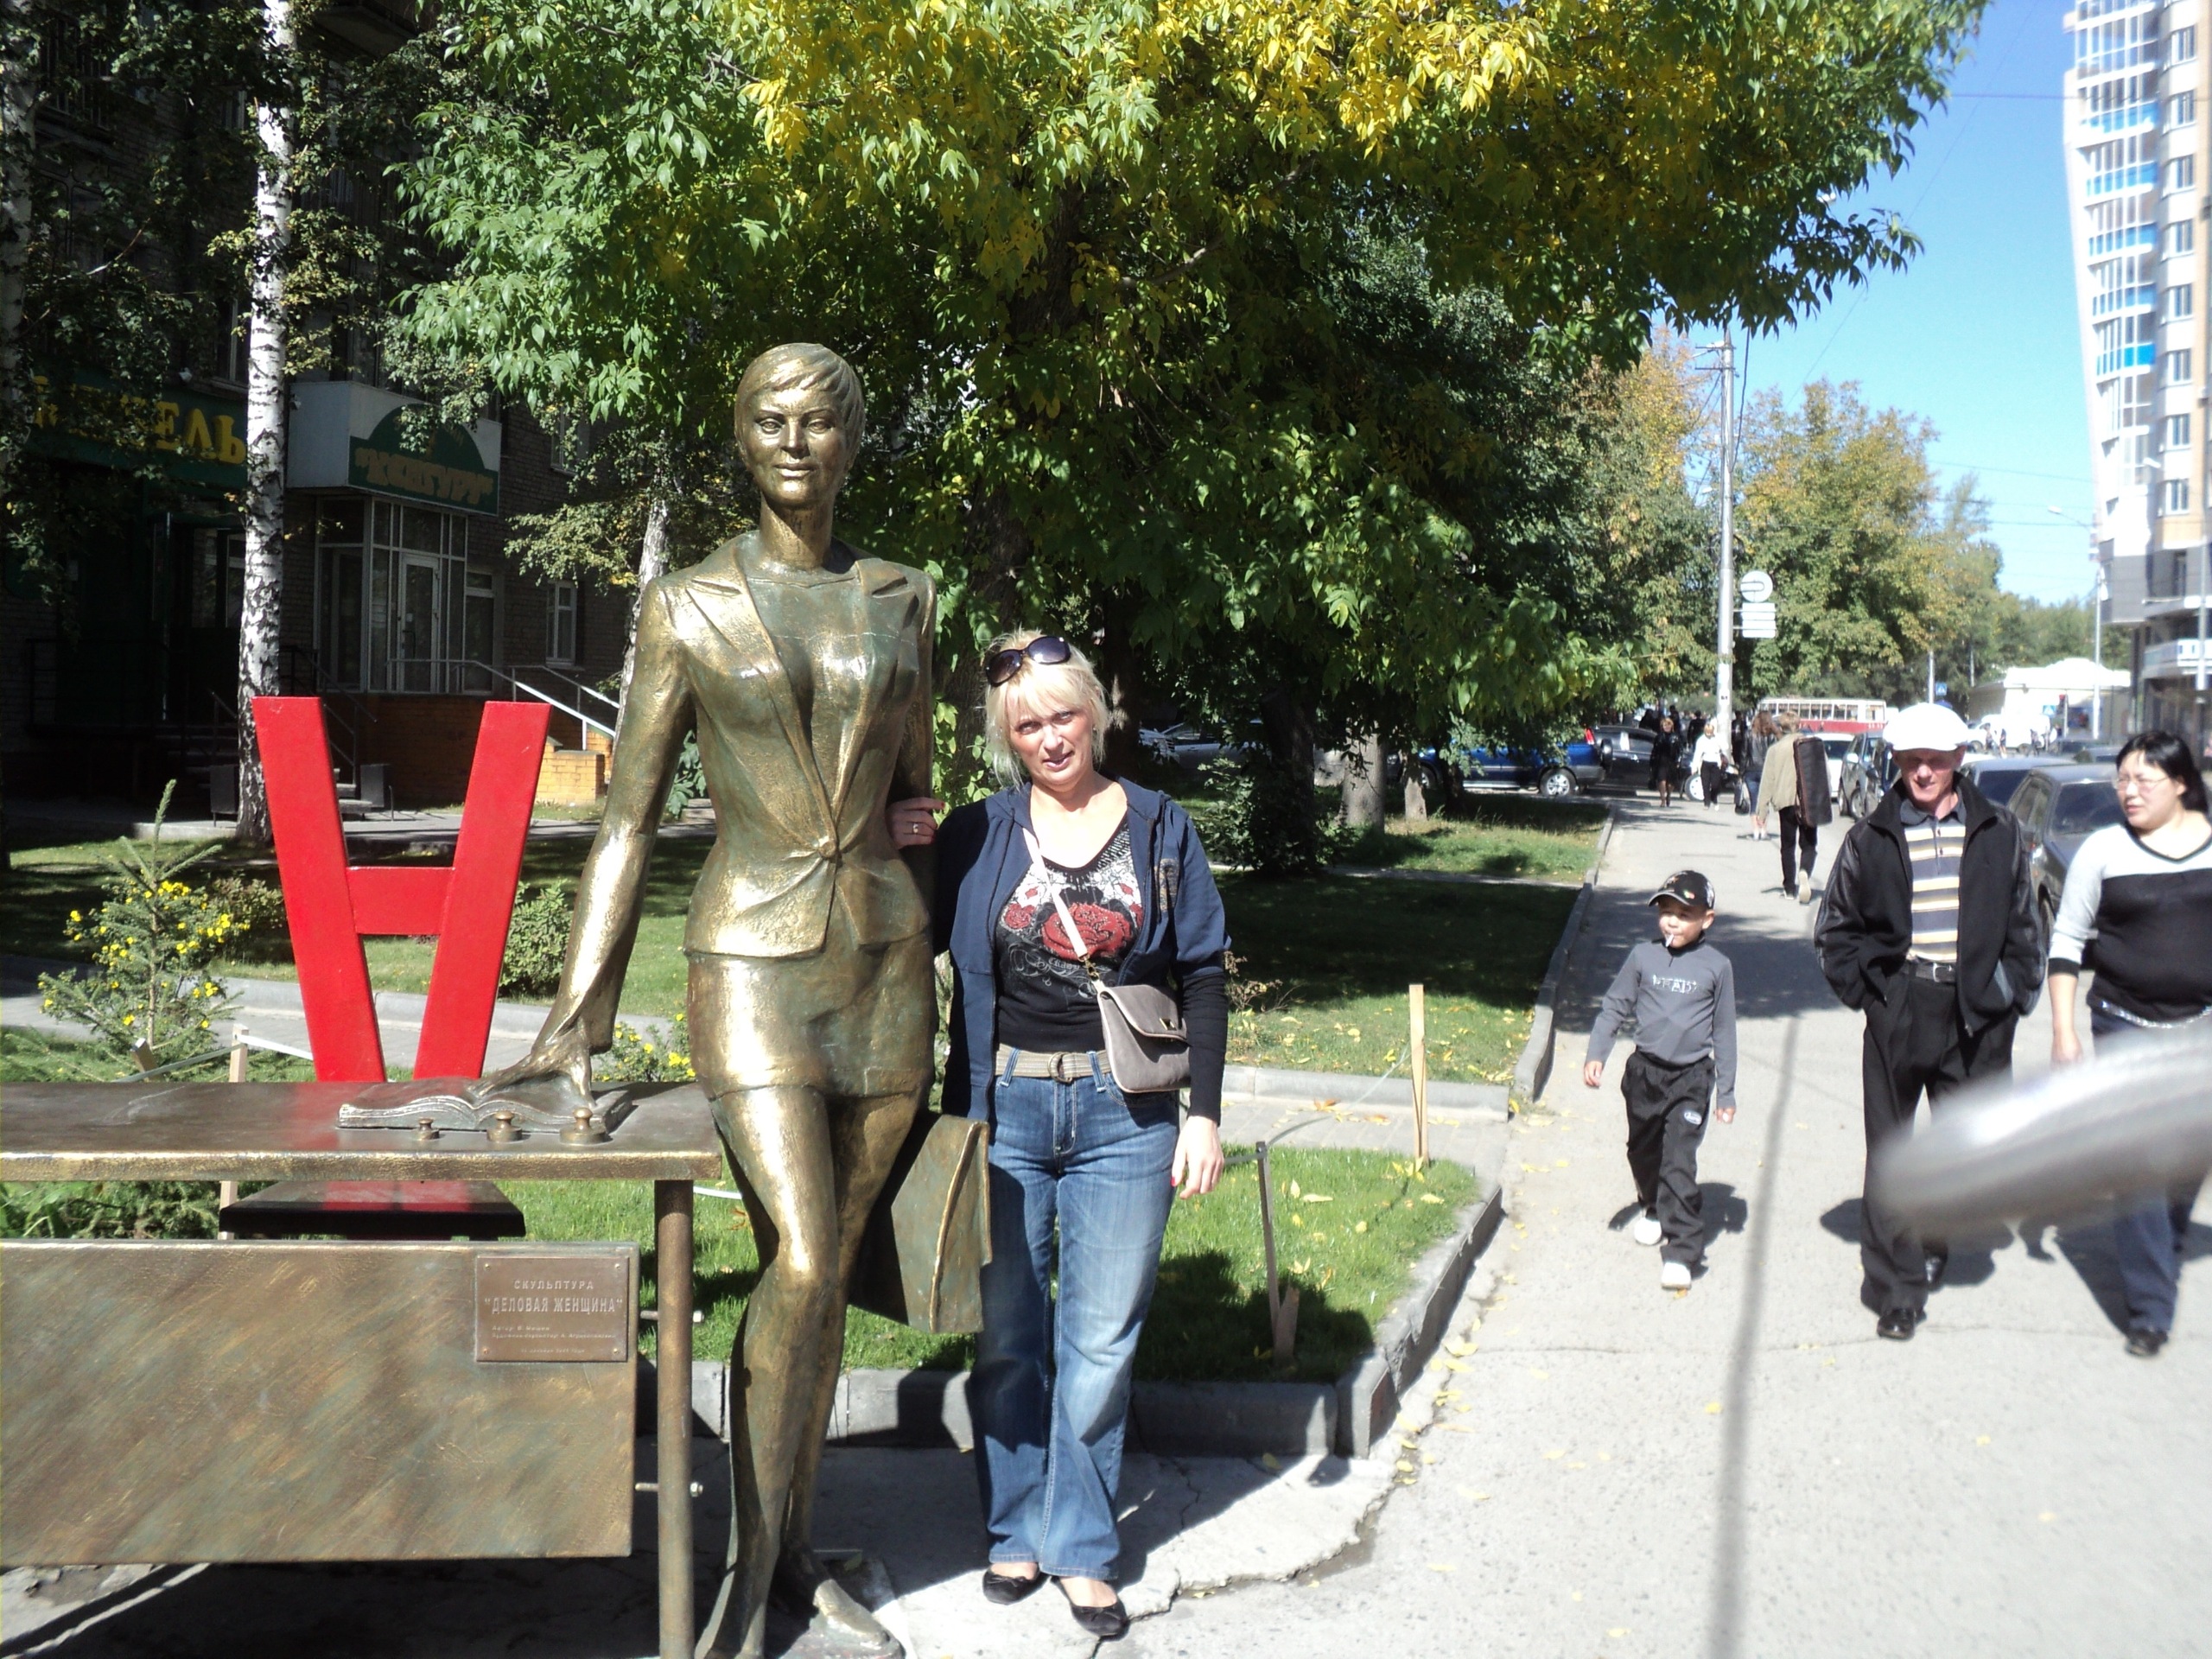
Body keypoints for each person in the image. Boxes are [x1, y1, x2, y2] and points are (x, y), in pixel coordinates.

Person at [480, 343, 938, 1659]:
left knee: (832, 1271)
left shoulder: (906, 597)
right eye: (768, 420)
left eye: (819, 422)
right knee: (802, 1253)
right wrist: (578, 1018)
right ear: (739, 439)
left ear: (853, 441)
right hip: (748, 960)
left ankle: (795, 1550)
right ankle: (748, 1571)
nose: (794, 442)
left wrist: (967, 942)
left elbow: (915, 799)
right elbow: (628, 819)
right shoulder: (686, 604)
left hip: (886, 965)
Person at [923, 631, 1228, 1641]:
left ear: (1094, 713)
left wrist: (1204, 1113)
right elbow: (898, 929)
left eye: (1063, 716)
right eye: (1027, 726)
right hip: (1002, 1108)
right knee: (1009, 1338)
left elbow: (1203, 974)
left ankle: (1083, 1547)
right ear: (1007, 738)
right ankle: (1014, 1531)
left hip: (1124, 1115)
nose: (1050, 738)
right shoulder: (975, 833)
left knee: (1099, 1342)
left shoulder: (1158, 825)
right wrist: (895, 839)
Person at [1815, 702, 2044, 1340]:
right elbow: (1834, 931)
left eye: (1935, 761)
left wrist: (2008, 996)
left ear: (1959, 760)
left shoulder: (1998, 829)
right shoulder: (1871, 836)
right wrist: (1875, 997)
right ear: (1896, 760)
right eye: (1912, 760)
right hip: (1902, 1005)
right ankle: (1896, 1289)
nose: (1922, 772)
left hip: (1976, 1014)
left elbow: (2026, 928)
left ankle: (1936, 1234)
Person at [2048, 731, 2212, 1357]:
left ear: (2181, 783)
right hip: (2123, 1023)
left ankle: (2163, 1240)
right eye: (2122, 780)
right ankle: (2149, 1309)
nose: (2128, 791)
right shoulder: (2103, 850)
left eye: (2143, 780)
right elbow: (2067, 940)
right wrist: (2064, 1030)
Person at [1581, 871, 1738, 1289]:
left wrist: (1726, 1092)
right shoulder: (1642, 957)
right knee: (1643, 1153)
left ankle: (1682, 1251)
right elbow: (1615, 1006)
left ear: (1706, 920)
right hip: (1644, 1074)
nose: (1672, 921)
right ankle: (1652, 1206)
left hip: (1691, 1079)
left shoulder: (1717, 967)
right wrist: (1597, 1053)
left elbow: (1724, 1031)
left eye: (1684, 915)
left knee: (1678, 1163)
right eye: (1666, 912)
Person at [1753, 712, 1832, 902]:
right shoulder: (1812, 746)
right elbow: (1824, 773)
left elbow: (1767, 781)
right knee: (1809, 844)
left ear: (1781, 727)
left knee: (1787, 846)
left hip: (1785, 803)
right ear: (1799, 725)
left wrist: (1762, 810)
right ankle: (1804, 871)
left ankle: (1789, 888)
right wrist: (1825, 797)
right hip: (1808, 802)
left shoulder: (1775, 749)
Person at [1692, 720, 1728, 810]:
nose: (1709, 734)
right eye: (1707, 732)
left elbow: (1725, 746)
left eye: (1710, 732)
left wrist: (1718, 738)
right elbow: (1697, 754)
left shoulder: (1717, 738)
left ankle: (1713, 797)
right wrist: (1694, 766)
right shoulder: (1701, 740)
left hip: (1716, 763)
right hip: (1705, 762)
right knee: (1705, 784)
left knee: (1716, 784)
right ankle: (1706, 803)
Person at [1649, 715, 1682, 806]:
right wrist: (1652, 760)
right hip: (1661, 761)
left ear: (1672, 726)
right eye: (1665, 725)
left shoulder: (1676, 737)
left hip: (1672, 761)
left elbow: (1680, 750)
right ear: (1662, 726)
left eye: (1668, 725)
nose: (1667, 727)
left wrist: (1678, 761)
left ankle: (1669, 795)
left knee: (1671, 782)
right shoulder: (1659, 737)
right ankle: (1663, 799)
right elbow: (1654, 750)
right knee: (1661, 780)